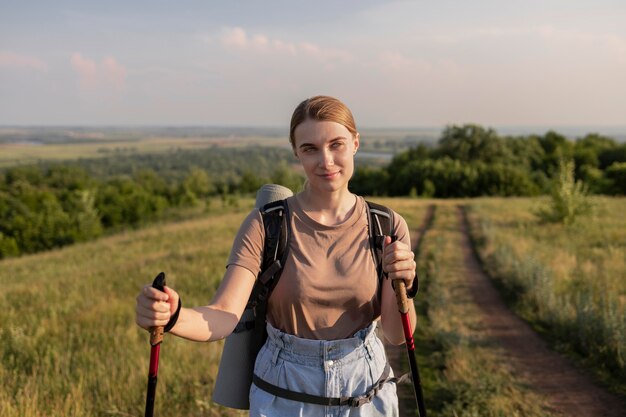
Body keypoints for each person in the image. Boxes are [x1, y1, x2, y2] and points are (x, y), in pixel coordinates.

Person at [135, 95, 417, 416]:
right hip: (284, 392)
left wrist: (403, 284)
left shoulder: (386, 225)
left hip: (365, 390)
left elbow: (396, 334)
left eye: (336, 144)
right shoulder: (266, 225)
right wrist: (172, 317)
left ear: (355, 143)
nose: (325, 161)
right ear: (296, 152)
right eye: (310, 148)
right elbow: (225, 313)